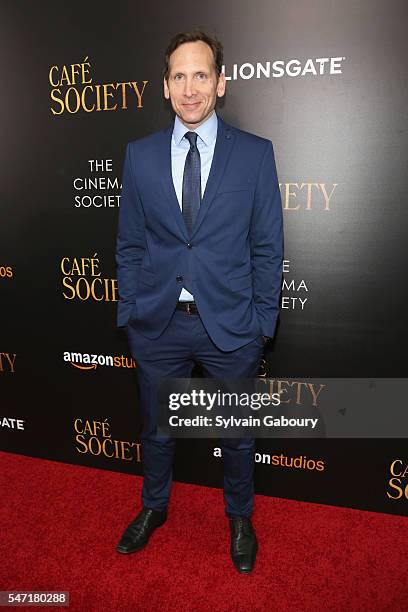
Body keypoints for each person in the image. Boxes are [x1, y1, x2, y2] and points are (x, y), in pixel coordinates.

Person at [115, 30, 283, 574]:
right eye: (180, 76)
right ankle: (153, 507)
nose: (191, 89)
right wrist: (130, 314)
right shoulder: (138, 157)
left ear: (221, 82)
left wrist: (262, 324)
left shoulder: (255, 155)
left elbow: (267, 246)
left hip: (231, 325)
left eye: (201, 75)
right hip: (158, 323)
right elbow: (131, 243)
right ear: (165, 86)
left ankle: (239, 517)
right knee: (157, 429)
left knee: (236, 433)